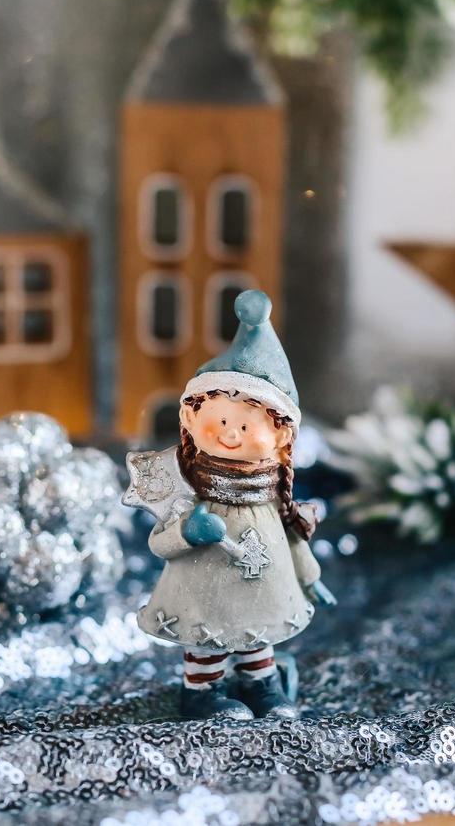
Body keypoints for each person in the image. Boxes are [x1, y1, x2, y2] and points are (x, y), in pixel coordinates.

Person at [125, 290, 329, 720]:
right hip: (202, 595)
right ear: (190, 421)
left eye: (244, 425)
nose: (230, 434)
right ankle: (201, 692)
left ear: (281, 437)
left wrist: (310, 576)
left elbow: (292, 539)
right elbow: (159, 544)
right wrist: (186, 532)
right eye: (218, 421)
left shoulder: (274, 496)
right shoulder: (187, 489)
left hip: (262, 591)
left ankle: (261, 686)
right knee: (205, 640)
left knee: (259, 639)